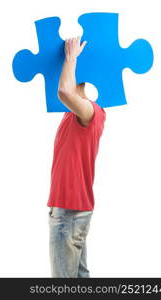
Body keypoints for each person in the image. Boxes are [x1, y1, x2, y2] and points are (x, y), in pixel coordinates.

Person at [47, 36, 106, 277]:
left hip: (69, 212)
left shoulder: (92, 112)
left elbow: (63, 90)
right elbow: (64, 92)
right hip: (71, 211)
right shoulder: (71, 114)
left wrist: (71, 58)